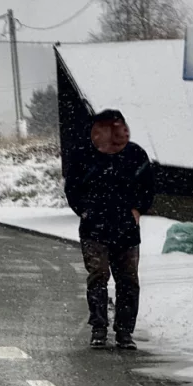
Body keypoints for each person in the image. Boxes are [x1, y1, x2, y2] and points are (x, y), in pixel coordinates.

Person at [64, 109, 155, 350]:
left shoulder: (135, 154)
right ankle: (99, 329)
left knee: (128, 282)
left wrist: (137, 209)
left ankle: (125, 332)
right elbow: (72, 188)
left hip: (126, 230)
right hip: (94, 230)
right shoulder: (83, 156)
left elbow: (148, 186)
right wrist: (84, 210)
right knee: (98, 278)